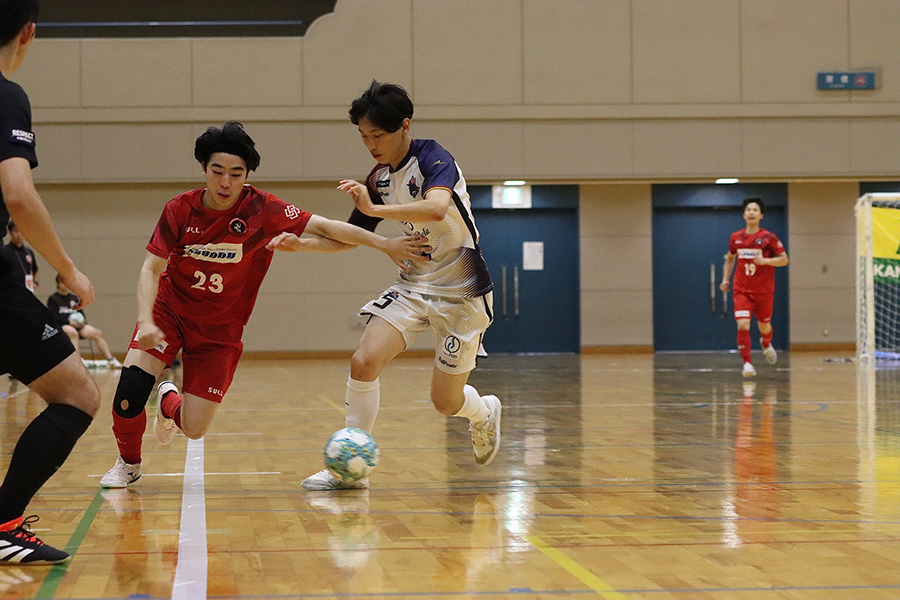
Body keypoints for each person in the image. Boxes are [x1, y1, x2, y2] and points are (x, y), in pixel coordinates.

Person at [99, 120, 429, 488]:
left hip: (219, 331)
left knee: (193, 428)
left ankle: (168, 402)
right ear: (203, 169)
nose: (226, 182)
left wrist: (384, 245)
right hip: (169, 312)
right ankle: (128, 464)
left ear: (247, 175)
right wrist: (145, 320)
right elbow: (151, 267)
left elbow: (329, 229)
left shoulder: (262, 209)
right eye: (217, 171)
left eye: (236, 174)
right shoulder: (179, 210)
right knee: (130, 388)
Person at [273, 81, 501, 491]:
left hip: (462, 288)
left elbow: (436, 208)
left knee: (445, 402)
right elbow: (350, 238)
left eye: (377, 135)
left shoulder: (434, 157)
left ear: (404, 126)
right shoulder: (378, 178)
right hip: (414, 283)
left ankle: (482, 412)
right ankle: (349, 470)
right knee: (363, 361)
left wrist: (374, 209)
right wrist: (303, 244)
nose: (370, 145)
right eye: (363, 136)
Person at [0, 0, 100, 564]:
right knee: (77, 395)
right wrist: (66, 267)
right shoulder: (6, 95)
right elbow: (18, 194)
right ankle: (4, 521)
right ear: (28, 32)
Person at [720, 197, 789, 378]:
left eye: (755, 210)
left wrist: (765, 261)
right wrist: (725, 279)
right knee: (743, 323)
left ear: (761, 215)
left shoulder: (769, 238)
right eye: (748, 210)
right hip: (742, 290)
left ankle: (766, 343)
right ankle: (748, 364)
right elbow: (730, 258)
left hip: (764, 291)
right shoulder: (736, 238)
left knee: (764, 326)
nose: (751, 212)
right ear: (744, 214)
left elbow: (784, 260)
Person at [47, 274, 122, 368]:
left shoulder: (74, 298)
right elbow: (53, 316)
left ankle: (110, 359)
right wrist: (69, 323)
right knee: (73, 333)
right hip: (63, 325)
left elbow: (81, 314)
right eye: (63, 283)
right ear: (58, 283)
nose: (66, 285)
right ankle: (77, 361)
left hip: (77, 325)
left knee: (97, 333)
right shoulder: (53, 299)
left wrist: (82, 323)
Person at [3, 220, 38, 292]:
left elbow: (35, 270)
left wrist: (35, 282)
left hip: (26, 291)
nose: (19, 234)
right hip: (9, 291)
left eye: (21, 231)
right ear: (10, 233)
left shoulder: (29, 252)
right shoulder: (4, 251)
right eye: (16, 231)